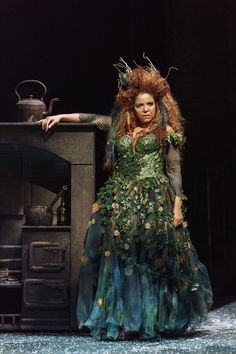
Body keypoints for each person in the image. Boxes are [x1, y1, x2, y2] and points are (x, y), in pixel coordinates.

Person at [40, 58, 213, 340]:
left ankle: (151, 320)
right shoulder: (120, 128)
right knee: (118, 257)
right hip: (120, 198)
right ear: (131, 106)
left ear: (158, 106)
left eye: (150, 105)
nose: (145, 110)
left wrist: (177, 207)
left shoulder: (165, 133)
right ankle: (122, 320)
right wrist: (60, 117)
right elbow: (90, 119)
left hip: (154, 198)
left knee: (150, 258)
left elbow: (174, 171)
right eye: (140, 105)